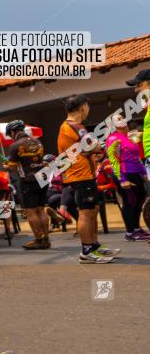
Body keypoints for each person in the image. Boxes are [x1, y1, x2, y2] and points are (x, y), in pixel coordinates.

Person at [57, 94, 119, 263]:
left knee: (93, 210)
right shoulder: (75, 126)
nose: (88, 110)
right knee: (85, 213)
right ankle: (86, 252)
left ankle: (94, 246)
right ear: (83, 107)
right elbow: (94, 146)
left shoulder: (70, 126)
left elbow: (89, 148)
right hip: (81, 175)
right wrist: (98, 146)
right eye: (88, 107)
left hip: (85, 174)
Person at [4, 120, 51, 249]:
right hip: (43, 178)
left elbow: (13, 167)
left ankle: (38, 239)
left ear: (13, 132)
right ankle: (46, 239)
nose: (10, 136)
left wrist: (6, 165)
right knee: (41, 209)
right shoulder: (37, 142)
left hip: (28, 180)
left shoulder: (15, 146)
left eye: (9, 134)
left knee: (31, 212)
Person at [106, 112, 150, 240]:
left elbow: (136, 157)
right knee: (129, 202)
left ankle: (137, 228)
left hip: (135, 173)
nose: (122, 120)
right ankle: (130, 232)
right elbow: (113, 159)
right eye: (118, 119)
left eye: (122, 117)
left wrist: (143, 172)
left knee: (140, 200)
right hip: (124, 173)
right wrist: (122, 179)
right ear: (113, 124)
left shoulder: (128, 137)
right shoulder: (113, 139)